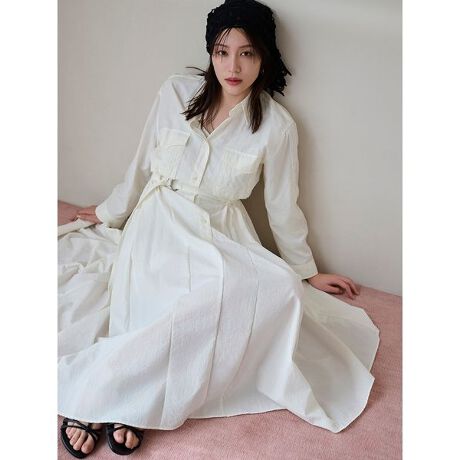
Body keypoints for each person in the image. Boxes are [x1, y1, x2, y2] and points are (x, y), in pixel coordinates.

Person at [58, 0, 380, 457]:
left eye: (247, 53)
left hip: (221, 230)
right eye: (222, 52)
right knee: (159, 300)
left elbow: (282, 207)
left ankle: (125, 389)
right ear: (210, 52)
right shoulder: (175, 92)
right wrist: (111, 212)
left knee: (280, 290)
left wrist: (307, 272)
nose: (233, 67)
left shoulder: (276, 126)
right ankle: (111, 397)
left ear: (264, 56)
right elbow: (141, 165)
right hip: (161, 218)